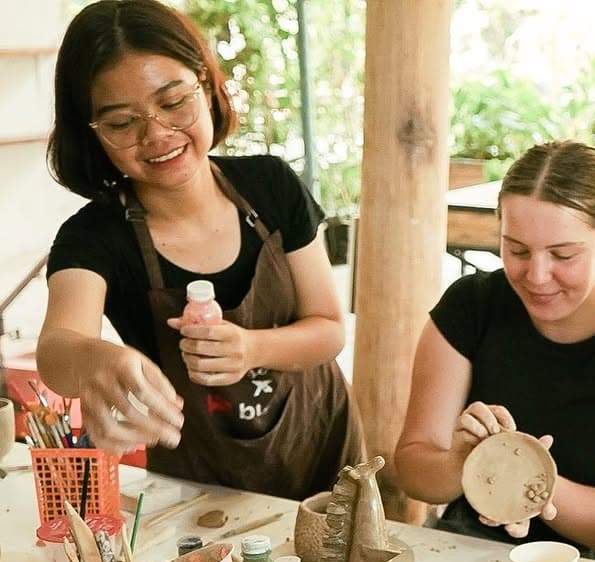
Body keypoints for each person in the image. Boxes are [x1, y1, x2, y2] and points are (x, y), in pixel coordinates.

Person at [37, 0, 363, 499]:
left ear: (206, 86)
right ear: (93, 134)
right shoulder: (96, 236)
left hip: (321, 452)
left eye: (173, 102)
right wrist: (97, 360)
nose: (156, 134)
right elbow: (57, 351)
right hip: (202, 491)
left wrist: (252, 348)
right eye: (123, 122)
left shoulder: (270, 185)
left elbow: (329, 329)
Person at [394, 141, 595, 562]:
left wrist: (529, 479)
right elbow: (413, 470)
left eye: (563, 254)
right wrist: (461, 461)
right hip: (470, 539)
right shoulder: (471, 305)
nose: (537, 276)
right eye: (517, 250)